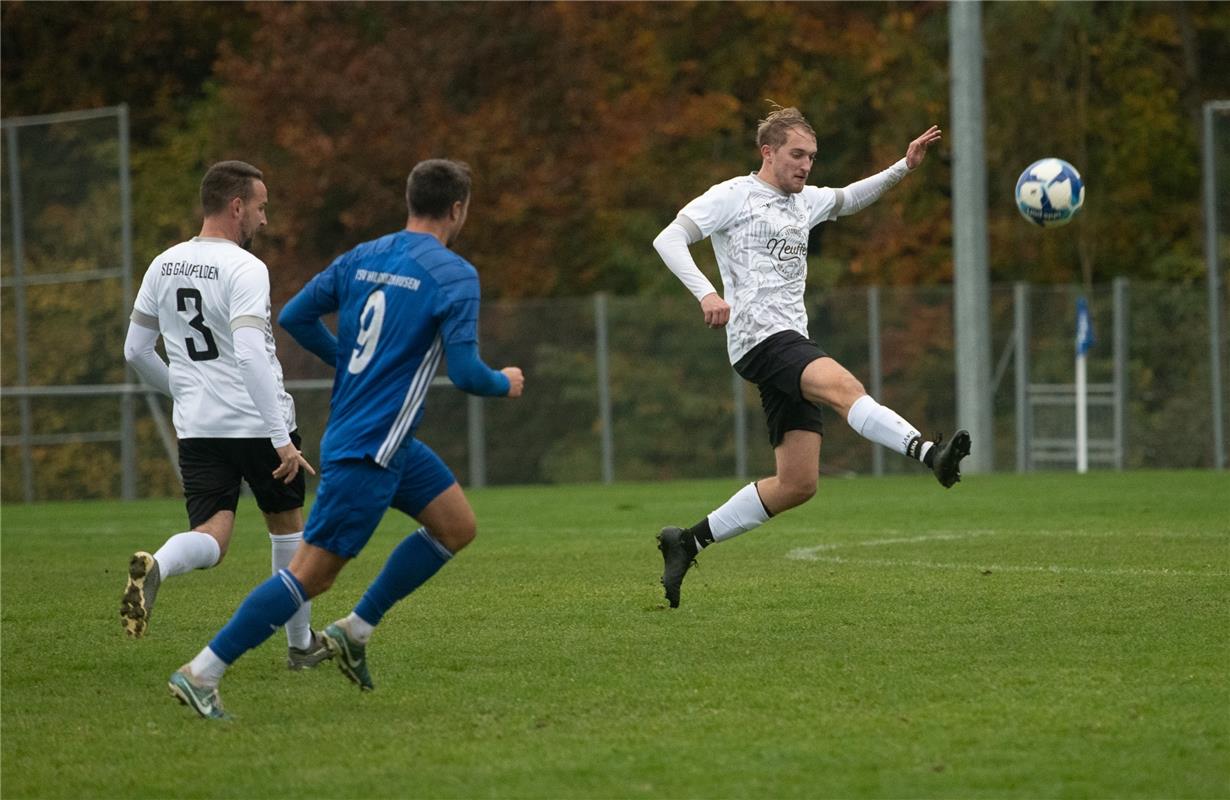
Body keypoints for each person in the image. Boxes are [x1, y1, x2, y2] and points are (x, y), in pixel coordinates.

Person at [167, 158, 524, 719]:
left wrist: (352, 364)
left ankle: (355, 632)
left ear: (410, 201)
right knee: (311, 575)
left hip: (384, 438)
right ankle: (202, 672)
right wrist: (506, 382)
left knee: (457, 526)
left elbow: (298, 316)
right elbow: (471, 373)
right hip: (370, 450)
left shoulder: (365, 255)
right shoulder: (454, 274)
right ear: (458, 209)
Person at [651, 106, 970, 609]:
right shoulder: (734, 195)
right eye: (796, 155)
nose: (805, 165)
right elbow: (668, 238)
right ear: (768, 152)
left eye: (812, 157)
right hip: (760, 339)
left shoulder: (806, 201)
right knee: (846, 390)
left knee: (797, 483)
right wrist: (706, 294)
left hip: (788, 339)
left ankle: (686, 541)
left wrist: (904, 166)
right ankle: (929, 454)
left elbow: (848, 198)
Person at [121, 160, 326, 669]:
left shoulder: (162, 263)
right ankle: (300, 646)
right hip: (258, 422)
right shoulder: (245, 267)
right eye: (260, 208)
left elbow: (135, 351)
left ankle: (160, 565)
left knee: (212, 534)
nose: (264, 220)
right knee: (287, 529)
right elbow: (253, 354)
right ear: (237, 206)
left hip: (199, 427)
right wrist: (281, 439)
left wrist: (184, 392)